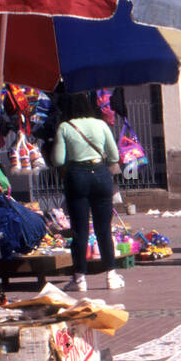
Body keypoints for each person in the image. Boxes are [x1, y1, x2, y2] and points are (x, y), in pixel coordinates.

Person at [52, 91, 122, 292]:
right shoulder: (100, 125)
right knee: (103, 228)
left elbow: (58, 160)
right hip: (100, 174)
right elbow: (114, 155)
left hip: (77, 176)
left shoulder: (65, 127)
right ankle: (111, 276)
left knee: (80, 231)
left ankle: (80, 278)